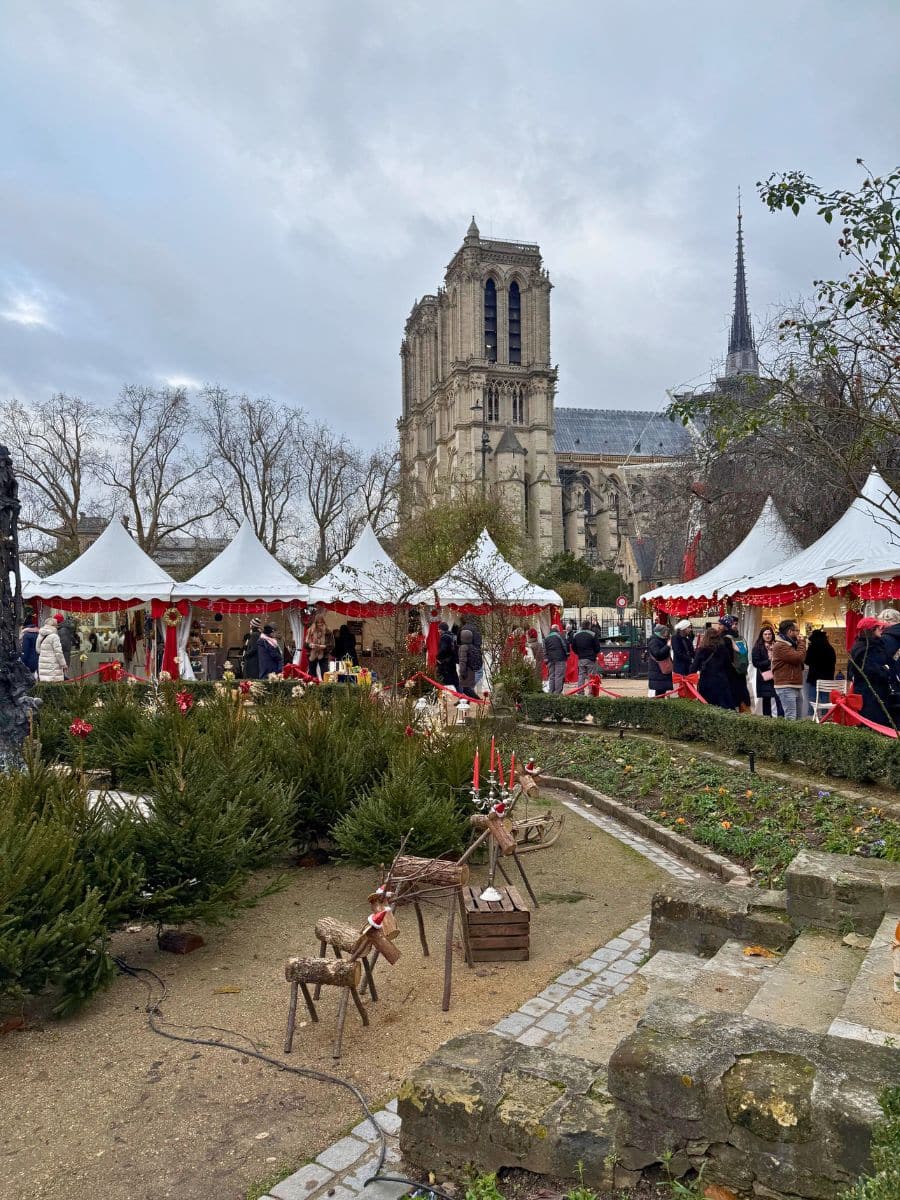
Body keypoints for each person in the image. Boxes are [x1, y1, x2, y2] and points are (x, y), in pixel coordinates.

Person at [848, 617, 895, 728]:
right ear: (871, 630)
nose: (881, 628)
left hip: (871, 693)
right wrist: (887, 670)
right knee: (874, 726)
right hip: (871, 696)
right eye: (878, 627)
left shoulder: (863, 646)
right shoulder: (866, 649)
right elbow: (875, 672)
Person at [691, 628, 737, 710]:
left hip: (706, 682)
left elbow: (693, 668)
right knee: (723, 707)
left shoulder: (702, 649)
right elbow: (729, 667)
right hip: (721, 681)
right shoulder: (723, 649)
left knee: (706, 707)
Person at [770, 619, 807, 720]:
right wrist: (802, 642)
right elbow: (798, 658)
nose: (799, 633)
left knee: (798, 718)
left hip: (794, 684)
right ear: (790, 632)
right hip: (786, 685)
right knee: (791, 717)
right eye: (797, 631)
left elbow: (801, 657)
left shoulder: (791, 644)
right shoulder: (781, 645)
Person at [717, 616, 751, 711]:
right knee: (741, 697)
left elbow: (723, 658)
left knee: (730, 699)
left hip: (729, 673)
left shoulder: (724, 638)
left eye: (720, 624)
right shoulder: (739, 638)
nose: (718, 626)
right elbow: (743, 652)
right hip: (739, 671)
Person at [804, 628, 837, 716]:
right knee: (825, 699)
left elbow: (806, 661)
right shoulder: (830, 648)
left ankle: (811, 716)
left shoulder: (812, 648)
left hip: (814, 678)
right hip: (827, 679)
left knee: (812, 699)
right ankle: (825, 717)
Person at [751, 625, 783, 717]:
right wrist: (768, 660)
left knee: (779, 698)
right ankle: (767, 720)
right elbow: (756, 663)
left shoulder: (777, 645)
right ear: (762, 635)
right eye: (765, 634)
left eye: (769, 634)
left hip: (777, 675)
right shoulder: (757, 647)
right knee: (766, 699)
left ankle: (781, 719)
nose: (768, 636)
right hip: (765, 677)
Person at [37, 613, 68, 682]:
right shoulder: (54, 636)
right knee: (54, 688)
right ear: (53, 626)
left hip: (43, 665)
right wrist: (64, 664)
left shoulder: (40, 634)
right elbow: (58, 652)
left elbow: (38, 650)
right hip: (53, 666)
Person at [570, 619, 600, 687]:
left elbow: (573, 647)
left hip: (581, 658)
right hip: (591, 658)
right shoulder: (593, 634)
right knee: (591, 677)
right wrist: (594, 654)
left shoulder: (576, 635)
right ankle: (591, 693)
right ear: (589, 626)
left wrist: (578, 653)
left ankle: (580, 692)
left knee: (581, 675)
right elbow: (597, 647)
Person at [646, 623, 673, 697]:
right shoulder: (654, 641)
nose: (666, 633)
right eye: (665, 632)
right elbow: (658, 654)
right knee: (660, 691)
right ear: (660, 632)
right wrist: (667, 646)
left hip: (662, 669)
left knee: (662, 691)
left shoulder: (662, 640)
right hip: (658, 669)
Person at [305, 614, 333, 680]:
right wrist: (310, 645)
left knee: (325, 673)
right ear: (315, 623)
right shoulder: (310, 631)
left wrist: (325, 647)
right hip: (312, 654)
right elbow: (305, 644)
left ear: (324, 622)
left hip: (324, 655)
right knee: (312, 673)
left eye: (321, 622)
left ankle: (325, 688)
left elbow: (332, 645)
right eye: (318, 622)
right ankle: (311, 687)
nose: (320, 624)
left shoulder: (328, 631)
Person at [543, 622, 568, 694]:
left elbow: (545, 649)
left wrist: (546, 658)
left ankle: (551, 691)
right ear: (557, 629)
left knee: (552, 676)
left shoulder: (547, 637)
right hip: (560, 658)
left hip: (550, 659)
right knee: (559, 676)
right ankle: (557, 693)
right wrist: (567, 654)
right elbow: (565, 646)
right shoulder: (560, 635)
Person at [457, 626, 480, 699]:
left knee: (466, 689)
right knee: (466, 688)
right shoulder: (472, 646)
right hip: (472, 670)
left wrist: (462, 672)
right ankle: (463, 701)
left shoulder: (463, 647)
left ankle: (478, 700)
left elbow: (462, 661)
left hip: (466, 671)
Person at [436, 621, 459, 690]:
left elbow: (443, 649)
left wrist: (438, 657)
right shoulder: (452, 635)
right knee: (455, 681)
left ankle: (441, 698)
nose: (438, 630)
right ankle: (462, 696)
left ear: (442, 629)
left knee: (441, 681)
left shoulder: (444, 637)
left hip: (445, 663)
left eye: (439, 629)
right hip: (452, 661)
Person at [20, 612, 40, 677]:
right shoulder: (38, 633)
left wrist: (22, 662)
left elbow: (25, 650)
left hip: (29, 662)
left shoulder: (26, 635)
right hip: (38, 660)